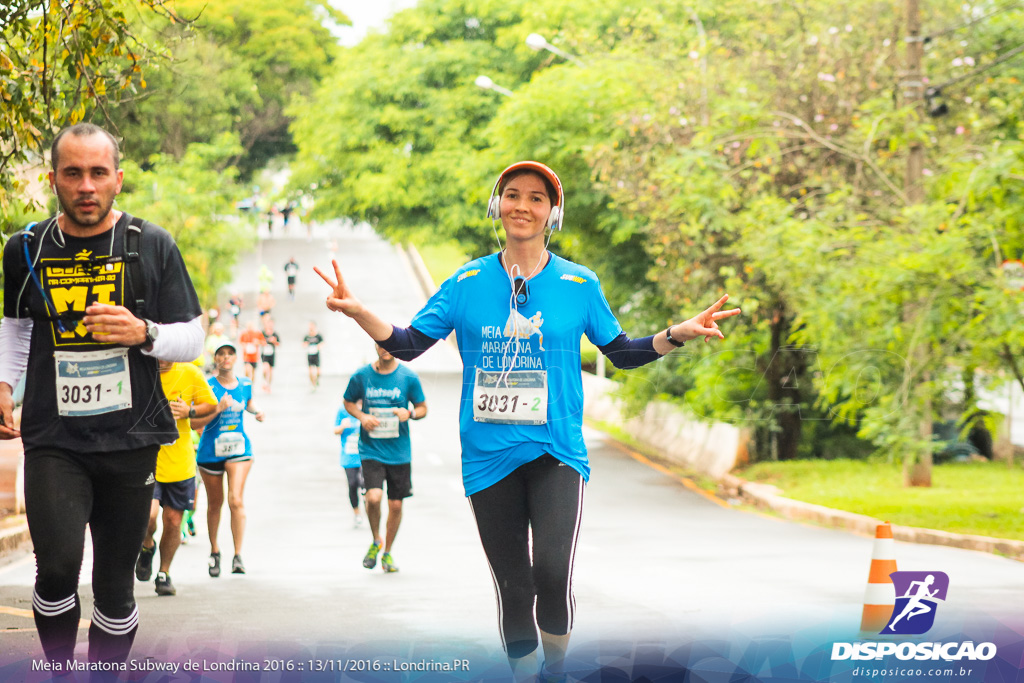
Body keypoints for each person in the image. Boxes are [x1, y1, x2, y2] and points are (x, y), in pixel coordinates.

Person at [315, 161, 741, 681]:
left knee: (552, 575)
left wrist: (678, 333)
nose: (523, 206)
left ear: (551, 213)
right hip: (488, 455)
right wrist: (359, 311)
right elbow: (407, 344)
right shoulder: (467, 280)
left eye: (536, 198)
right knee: (515, 586)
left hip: (555, 450)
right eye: (512, 195)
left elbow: (622, 352)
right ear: (498, 206)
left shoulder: (579, 283)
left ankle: (554, 670)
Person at [0, 122, 203, 665]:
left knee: (114, 583)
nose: (85, 185)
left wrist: (146, 333)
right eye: (73, 173)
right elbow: (17, 325)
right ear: (53, 180)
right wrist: (4, 384)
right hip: (54, 437)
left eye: (97, 173)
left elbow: (193, 335)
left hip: (131, 438)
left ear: (118, 179)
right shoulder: (25, 249)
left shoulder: (151, 244)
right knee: (59, 567)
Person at [135, 361, 218, 596]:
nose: (164, 358)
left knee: (173, 521)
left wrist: (189, 411)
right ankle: (147, 545)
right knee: (148, 517)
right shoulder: (140, 370)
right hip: (147, 460)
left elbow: (210, 405)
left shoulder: (190, 372)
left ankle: (164, 572)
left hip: (180, 463)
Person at [343, 344, 427, 573]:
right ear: (375, 346)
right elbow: (348, 401)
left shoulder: (408, 377)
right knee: (373, 497)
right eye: (381, 344)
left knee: (396, 504)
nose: (385, 348)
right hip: (371, 449)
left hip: (399, 451)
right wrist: (362, 416)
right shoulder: (362, 376)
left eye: (390, 344)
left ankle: (387, 552)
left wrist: (409, 413)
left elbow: (422, 408)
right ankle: (375, 539)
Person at [192, 341, 264, 577]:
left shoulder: (244, 383)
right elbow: (194, 422)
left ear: (235, 358)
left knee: (236, 500)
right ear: (215, 359)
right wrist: (217, 410)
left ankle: (238, 555)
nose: (225, 358)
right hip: (210, 451)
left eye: (230, 354)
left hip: (239, 449)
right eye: (221, 354)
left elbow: (249, 402)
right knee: (215, 503)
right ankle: (215, 552)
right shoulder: (206, 386)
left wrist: (257, 411)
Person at [333, 402, 364, 527]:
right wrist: (342, 426)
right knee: (352, 484)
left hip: (365, 455)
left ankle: (370, 508)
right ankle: (357, 513)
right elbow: (335, 430)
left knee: (364, 483)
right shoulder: (343, 409)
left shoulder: (368, 407)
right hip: (349, 456)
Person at [260, 316, 281, 392]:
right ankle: (265, 381)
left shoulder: (275, 334)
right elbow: (259, 342)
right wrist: (264, 342)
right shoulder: (263, 333)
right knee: (265, 369)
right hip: (265, 354)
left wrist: (274, 342)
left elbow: (279, 344)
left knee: (270, 370)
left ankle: (268, 385)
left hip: (272, 354)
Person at [302, 320, 324, 390]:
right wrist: (306, 344)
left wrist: (319, 346)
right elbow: (303, 344)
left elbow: (322, 343)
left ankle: (316, 380)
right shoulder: (307, 336)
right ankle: (312, 384)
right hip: (310, 355)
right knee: (311, 371)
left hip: (316, 355)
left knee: (318, 372)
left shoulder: (318, 336)